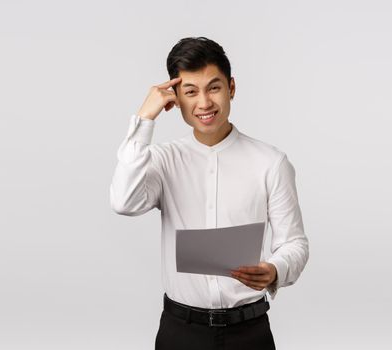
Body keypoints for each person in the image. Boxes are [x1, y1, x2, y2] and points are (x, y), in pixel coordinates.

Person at [109, 36, 309, 350]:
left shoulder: (271, 162)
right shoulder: (163, 160)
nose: (204, 103)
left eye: (213, 87)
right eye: (190, 92)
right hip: (181, 331)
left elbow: (294, 242)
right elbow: (123, 201)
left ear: (231, 87)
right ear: (175, 99)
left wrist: (275, 270)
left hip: (250, 331)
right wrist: (144, 119)